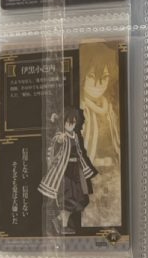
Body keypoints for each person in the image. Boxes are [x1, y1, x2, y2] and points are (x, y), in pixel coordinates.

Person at [38, 106, 97, 235]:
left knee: (80, 199)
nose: (71, 125)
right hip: (64, 172)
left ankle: (58, 220)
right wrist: (59, 139)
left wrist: (85, 168)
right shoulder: (61, 136)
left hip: (76, 170)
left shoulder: (75, 136)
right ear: (63, 122)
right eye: (68, 122)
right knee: (67, 199)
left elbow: (79, 153)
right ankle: (63, 225)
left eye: (73, 122)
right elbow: (55, 145)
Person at [80, 44, 121, 227]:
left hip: (112, 175)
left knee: (112, 221)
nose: (98, 85)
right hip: (89, 175)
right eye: (92, 77)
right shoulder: (79, 110)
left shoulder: (109, 108)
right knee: (90, 219)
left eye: (104, 78)